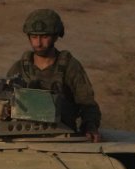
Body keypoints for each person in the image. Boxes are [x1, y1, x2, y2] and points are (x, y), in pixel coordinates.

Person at [7, 8, 102, 141]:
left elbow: (87, 103)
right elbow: (5, 103)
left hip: (62, 136)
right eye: (34, 37)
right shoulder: (19, 68)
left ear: (56, 36)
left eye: (44, 37)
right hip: (24, 137)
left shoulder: (69, 66)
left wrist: (90, 126)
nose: (38, 43)